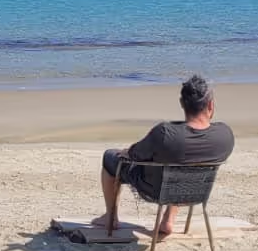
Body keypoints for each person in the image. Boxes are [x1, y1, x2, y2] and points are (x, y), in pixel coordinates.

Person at [90, 75, 233, 237]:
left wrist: (125, 152)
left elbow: (134, 155)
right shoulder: (224, 135)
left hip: (155, 190)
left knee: (109, 157)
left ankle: (111, 217)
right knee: (182, 165)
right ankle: (168, 220)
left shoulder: (165, 133)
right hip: (195, 192)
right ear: (211, 105)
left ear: (182, 104)